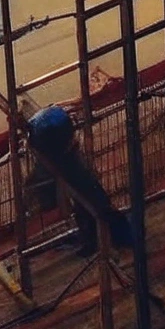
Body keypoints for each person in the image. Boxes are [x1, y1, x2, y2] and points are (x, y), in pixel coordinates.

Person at [27, 105, 135, 257]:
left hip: (91, 201)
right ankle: (102, 239)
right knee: (91, 206)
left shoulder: (60, 163)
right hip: (87, 191)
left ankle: (101, 241)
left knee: (93, 208)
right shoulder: (71, 159)